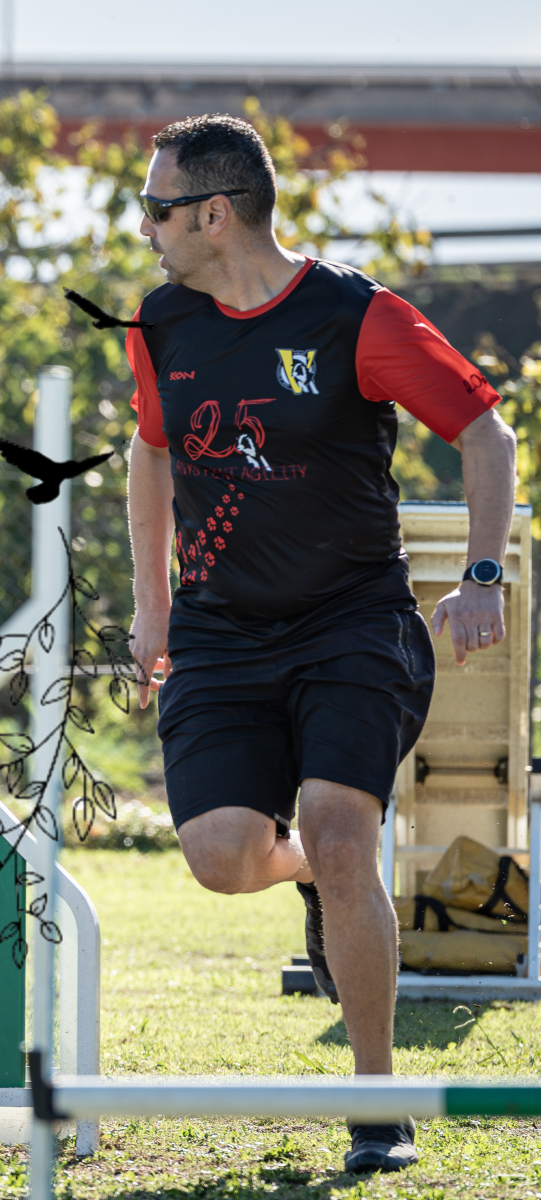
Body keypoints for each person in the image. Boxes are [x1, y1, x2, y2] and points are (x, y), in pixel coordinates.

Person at [123, 113, 517, 1175]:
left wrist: (483, 575)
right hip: (220, 630)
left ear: (215, 213)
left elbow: (485, 432)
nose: (145, 226)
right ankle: (304, 874)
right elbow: (151, 452)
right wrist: (152, 606)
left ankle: (376, 1105)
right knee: (219, 860)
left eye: (155, 207)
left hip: (352, 622)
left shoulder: (357, 316)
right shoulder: (161, 321)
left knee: (346, 832)